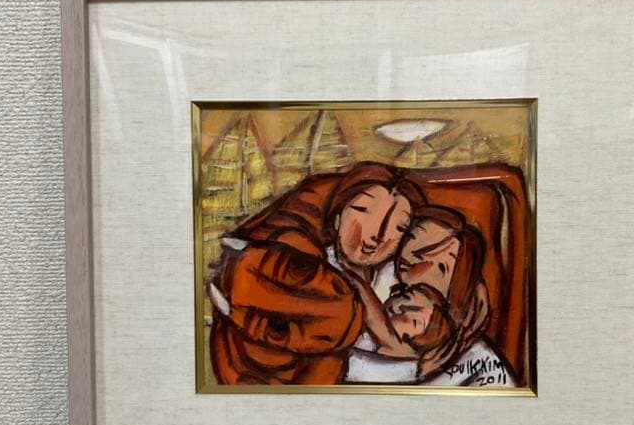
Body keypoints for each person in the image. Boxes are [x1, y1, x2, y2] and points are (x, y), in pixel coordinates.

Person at [208, 162, 426, 385]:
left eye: (399, 227)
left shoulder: (397, 282)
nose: (378, 235)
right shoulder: (310, 268)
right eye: (363, 211)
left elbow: (405, 363)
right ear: (338, 217)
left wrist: (363, 295)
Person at [345, 205, 515, 386]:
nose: (409, 255)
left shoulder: (480, 363)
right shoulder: (380, 281)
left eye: (424, 253)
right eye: (410, 239)